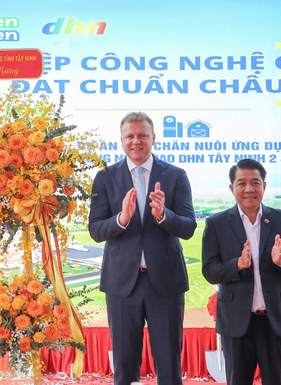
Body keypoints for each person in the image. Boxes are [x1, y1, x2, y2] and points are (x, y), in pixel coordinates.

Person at [89, 112, 197, 385]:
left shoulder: (175, 175)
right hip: (122, 283)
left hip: (165, 282)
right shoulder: (105, 177)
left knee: (169, 364)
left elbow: (188, 227)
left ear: (153, 138)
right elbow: (96, 230)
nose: (136, 141)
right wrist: (121, 219)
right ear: (122, 140)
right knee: (124, 367)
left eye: (142, 136)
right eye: (130, 136)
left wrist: (163, 215)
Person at [202, 159, 281, 385]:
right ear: (232, 188)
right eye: (242, 183)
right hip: (236, 321)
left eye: (255, 183)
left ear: (264, 186)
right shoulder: (216, 223)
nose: (249, 189)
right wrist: (237, 265)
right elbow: (210, 271)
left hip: (275, 320)